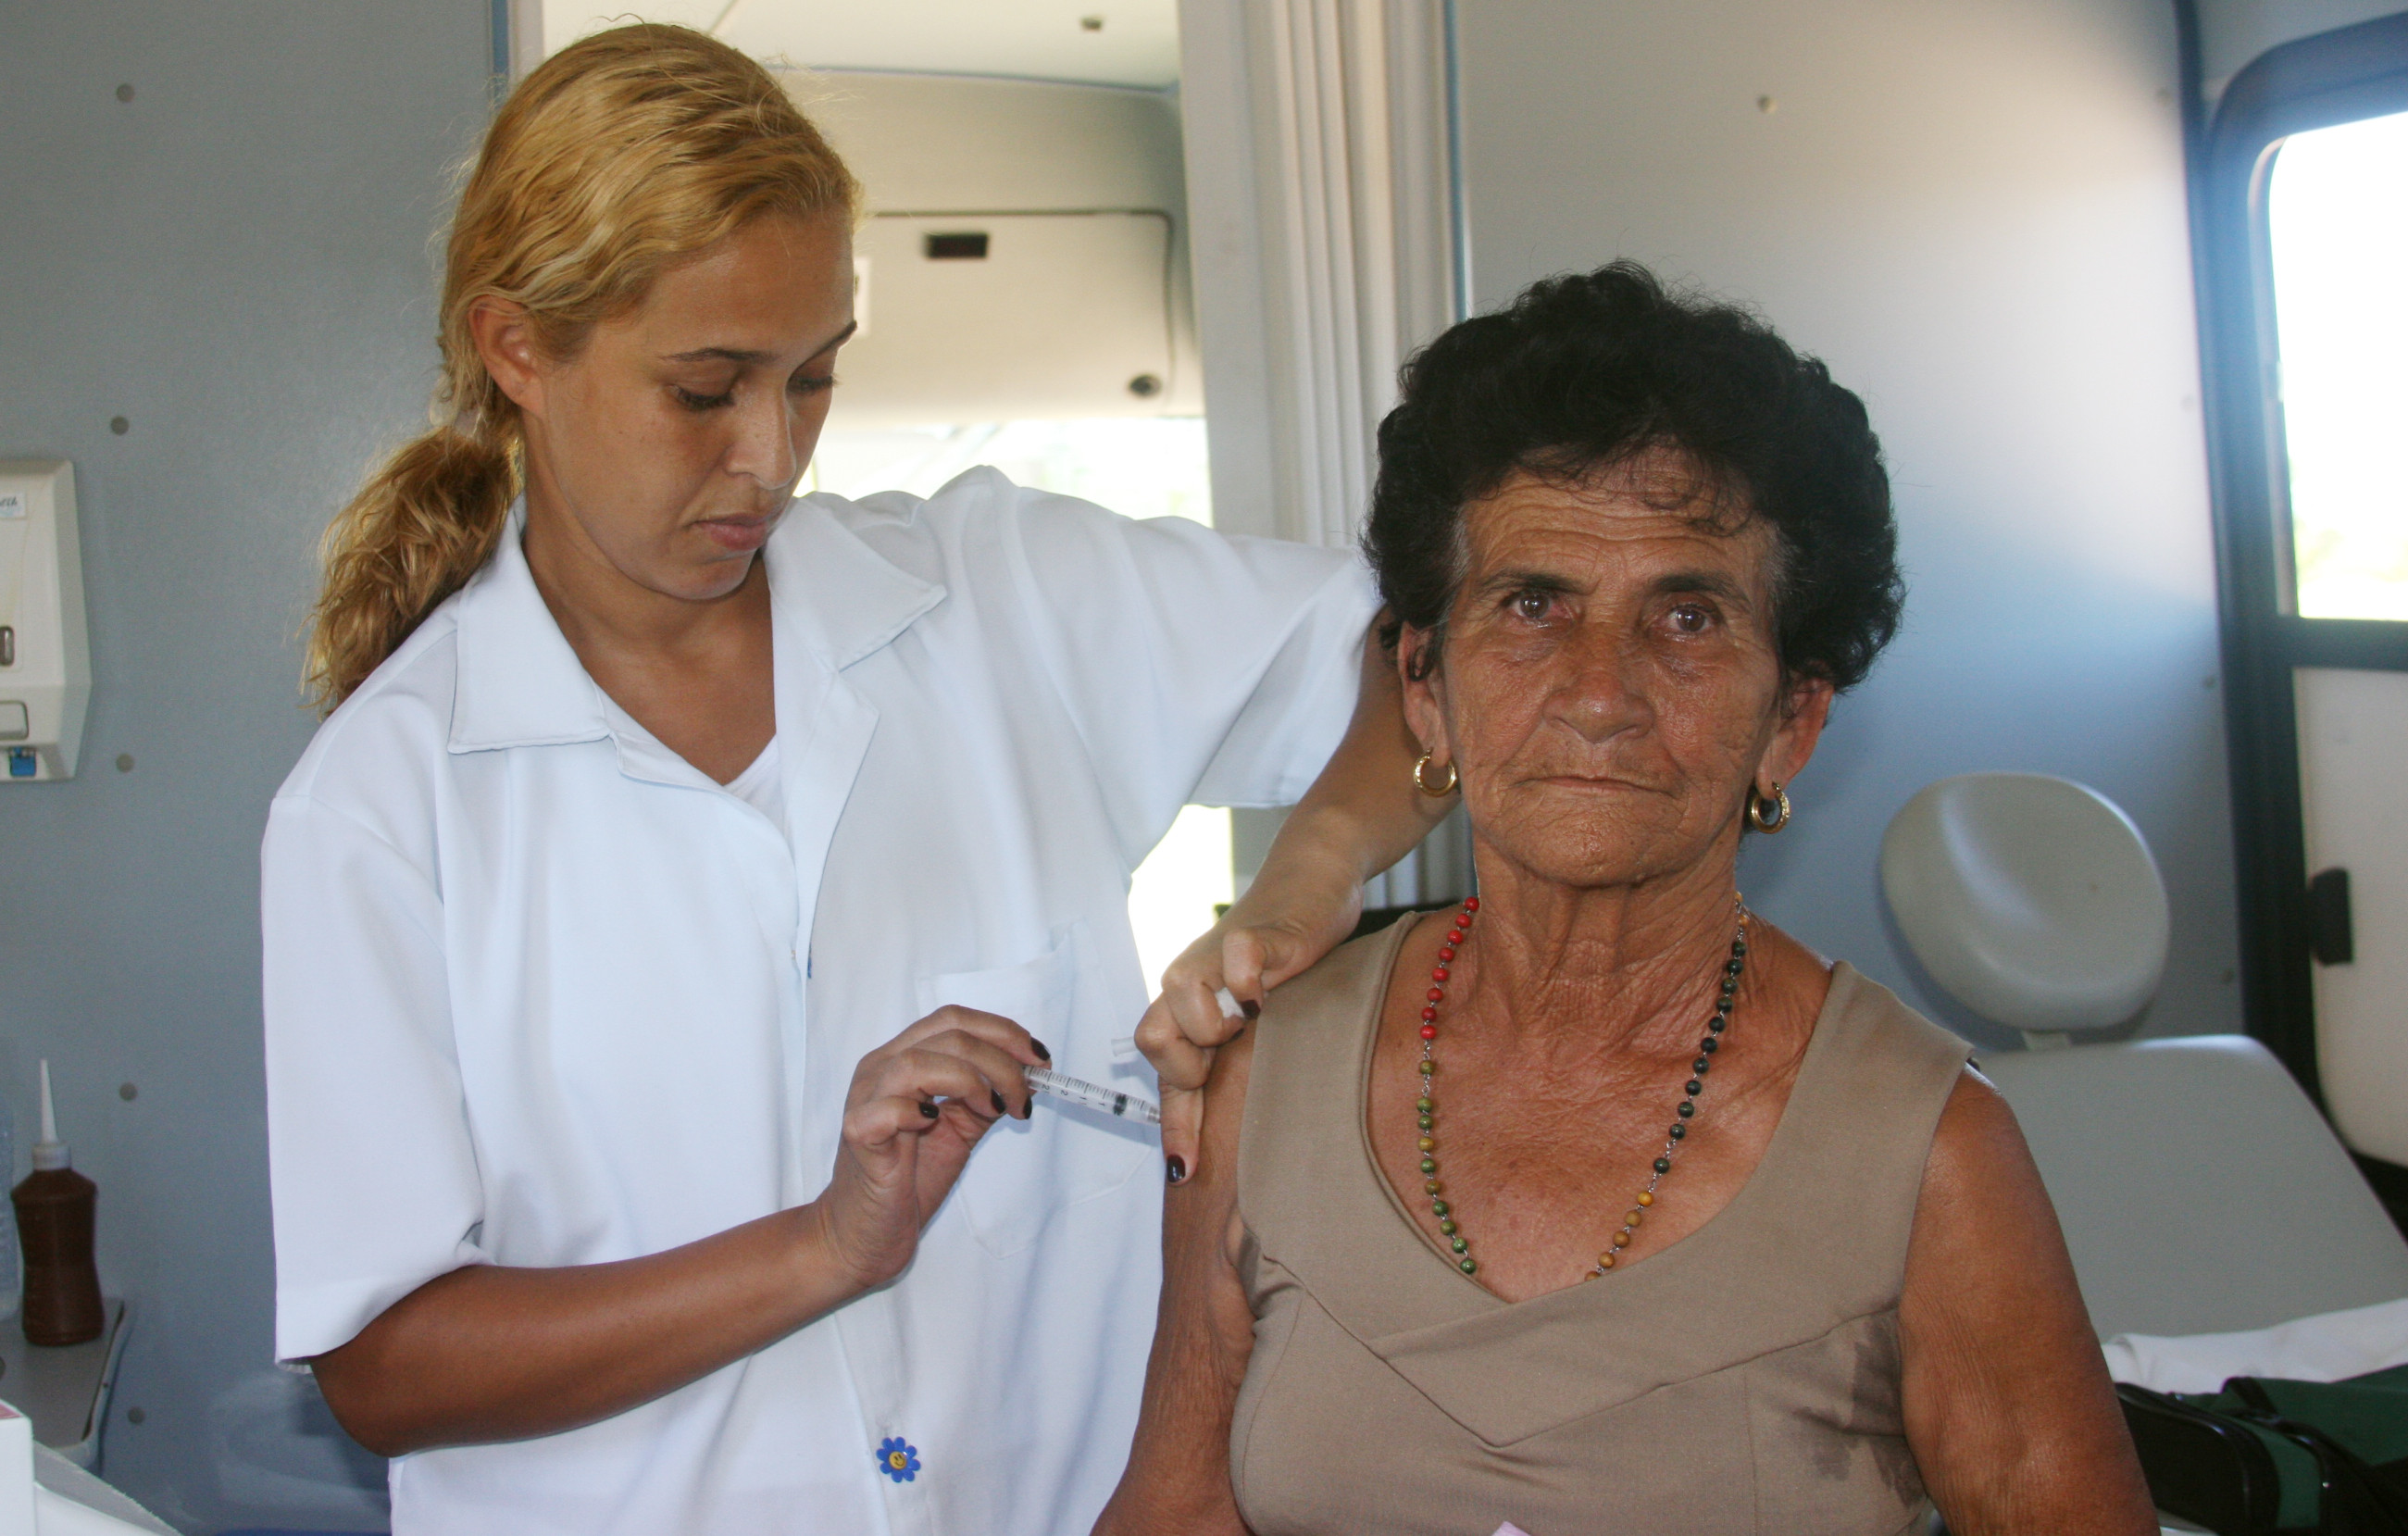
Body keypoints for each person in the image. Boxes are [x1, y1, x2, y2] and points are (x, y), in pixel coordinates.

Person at [261, 26, 1447, 1535]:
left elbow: (1429, 656)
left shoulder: (997, 596)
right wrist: (825, 1246)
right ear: (518, 350)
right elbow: (386, 1364)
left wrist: (1301, 883)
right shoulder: (382, 805)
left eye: (813, 380)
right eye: (706, 390)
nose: (771, 457)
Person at [1096, 264, 2161, 1535]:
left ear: (1793, 720)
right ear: (1426, 689)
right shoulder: (1266, 1077)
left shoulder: (1930, 1151)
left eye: (1690, 618)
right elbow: (1174, 1515)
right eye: (1532, 605)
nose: (1600, 693)